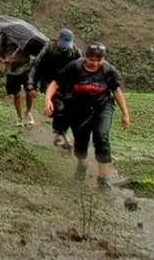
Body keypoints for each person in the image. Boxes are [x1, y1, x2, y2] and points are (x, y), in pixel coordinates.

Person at [44, 43, 131, 189]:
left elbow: (116, 91)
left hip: (102, 107)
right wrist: (47, 99)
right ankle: (82, 165)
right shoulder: (74, 67)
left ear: (103, 59)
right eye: (91, 59)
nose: (94, 63)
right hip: (79, 109)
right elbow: (56, 83)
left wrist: (125, 114)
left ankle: (103, 179)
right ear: (85, 57)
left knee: (101, 136)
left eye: (98, 60)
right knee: (80, 143)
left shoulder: (108, 70)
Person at [29, 28, 81, 149]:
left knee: (69, 108)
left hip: (67, 84)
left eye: (68, 43)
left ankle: (60, 133)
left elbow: (81, 68)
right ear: (59, 40)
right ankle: (60, 134)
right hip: (48, 81)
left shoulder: (75, 51)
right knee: (58, 104)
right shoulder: (49, 48)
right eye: (63, 42)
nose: (65, 45)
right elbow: (36, 65)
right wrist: (31, 85)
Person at [0, 30, 37, 127]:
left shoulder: (26, 37)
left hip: (26, 68)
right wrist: (4, 60)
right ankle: (19, 117)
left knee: (29, 92)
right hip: (12, 70)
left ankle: (28, 112)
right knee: (16, 94)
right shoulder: (3, 37)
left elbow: (34, 53)